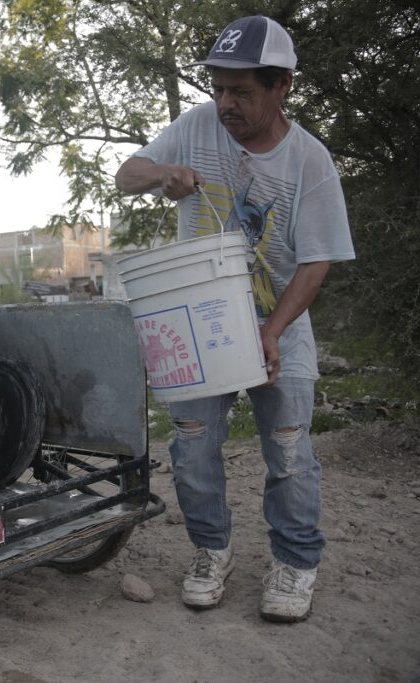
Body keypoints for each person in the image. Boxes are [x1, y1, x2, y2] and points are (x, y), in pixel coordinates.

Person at [115, 15, 355, 622]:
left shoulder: (310, 160)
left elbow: (316, 261)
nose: (225, 103)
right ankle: (210, 550)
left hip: (280, 321)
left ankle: (295, 562)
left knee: (289, 449)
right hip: (198, 326)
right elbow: (126, 176)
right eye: (218, 88)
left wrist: (271, 332)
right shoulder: (197, 126)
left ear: (282, 86)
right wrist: (162, 173)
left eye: (241, 91)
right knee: (192, 448)